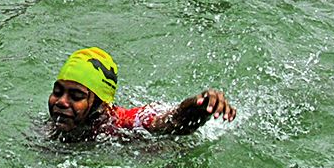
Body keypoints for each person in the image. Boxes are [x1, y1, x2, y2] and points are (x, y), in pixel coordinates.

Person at [46, 47, 236, 142]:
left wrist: (199, 107)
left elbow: (172, 120)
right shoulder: (52, 126)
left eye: (77, 96)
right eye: (57, 92)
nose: (61, 102)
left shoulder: (122, 124)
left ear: (101, 103)